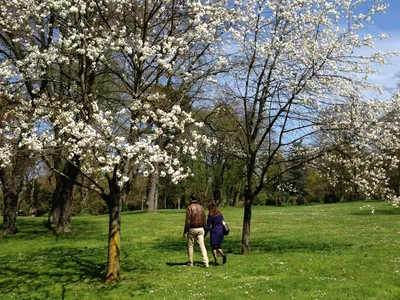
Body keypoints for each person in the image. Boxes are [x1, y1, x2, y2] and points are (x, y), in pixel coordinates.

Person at [183, 193, 209, 267]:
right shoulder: (201, 207)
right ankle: (206, 262)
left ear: (191, 199)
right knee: (202, 245)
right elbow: (204, 219)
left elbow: (188, 220)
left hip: (192, 228)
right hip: (201, 228)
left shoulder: (190, 207)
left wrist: (185, 231)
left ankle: (190, 262)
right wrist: (204, 228)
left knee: (190, 245)